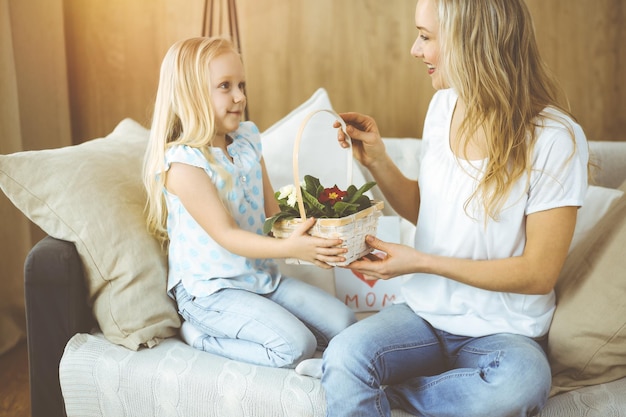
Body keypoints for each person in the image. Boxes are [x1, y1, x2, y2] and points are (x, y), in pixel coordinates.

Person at [323, 0, 589, 416]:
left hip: (504, 333)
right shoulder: (443, 107)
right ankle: (358, 382)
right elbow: (427, 211)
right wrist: (376, 159)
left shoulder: (555, 137)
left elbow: (539, 273)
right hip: (423, 317)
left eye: (426, 37)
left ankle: (384, 393)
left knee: (518, 386)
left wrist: (422, 262)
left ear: (471, 42)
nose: (415, 49)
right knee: (344, 355)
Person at [142, 37, 356, 370]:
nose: (240, 96)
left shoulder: (246, 140)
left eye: (241, 85)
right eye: (225, 86)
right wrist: (292, 251)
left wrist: (314, 238)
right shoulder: (183, 164)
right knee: (295, 346)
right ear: (191, 94)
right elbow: (228, 235)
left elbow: (273, 215)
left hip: (260, 279)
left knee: (346, 325)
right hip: (211, 292)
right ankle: (201, 337)